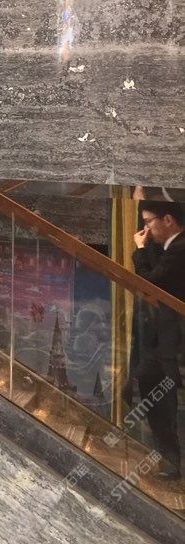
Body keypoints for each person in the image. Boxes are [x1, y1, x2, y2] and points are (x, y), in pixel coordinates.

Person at [132, 201, 185, 480]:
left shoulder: (180, 249)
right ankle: (168, 456)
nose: (146, 229)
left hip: (176, 339)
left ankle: (172, 460)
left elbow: (150, 283)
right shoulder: (170, 247)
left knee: (162, 393)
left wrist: (140, 250)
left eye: (148, 222)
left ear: (168, 219)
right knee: (146, 380)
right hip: (167, 338)